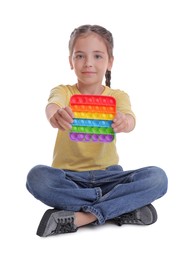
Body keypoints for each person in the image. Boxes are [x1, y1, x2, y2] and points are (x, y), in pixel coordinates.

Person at [26, 24, 168, 237]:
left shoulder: (118, 96)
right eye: (80, 56)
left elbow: (129, 119)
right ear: (70, 61)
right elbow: (53, 105)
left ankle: (84, 217)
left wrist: (124, 122)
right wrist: (54, 115)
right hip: (69, 179)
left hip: (110, 177)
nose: (88, 63)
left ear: (110, 62)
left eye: (98, 56)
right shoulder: (63, 91)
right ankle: (119, 208)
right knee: (37, 177)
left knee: (157, 178)